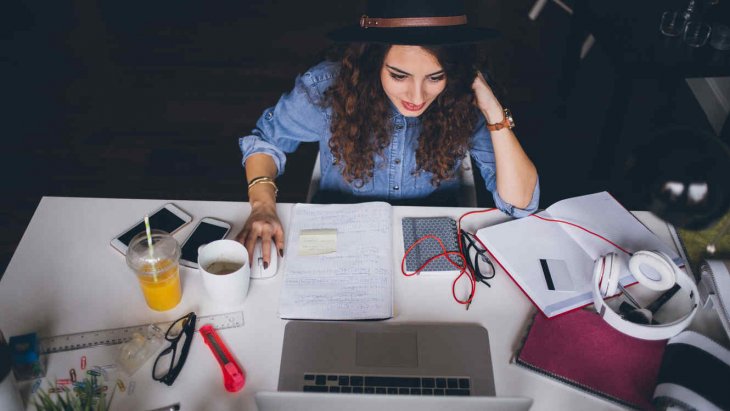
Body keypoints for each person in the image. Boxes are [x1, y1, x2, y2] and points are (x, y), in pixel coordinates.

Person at [237, 0, 540, 266]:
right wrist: (263, 205)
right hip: (339, 230)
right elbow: (266, 140)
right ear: (373, 61)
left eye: (436, 77)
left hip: (430, 238)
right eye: (399, 75)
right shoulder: (327, 88)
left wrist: (493, 111)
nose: (417, 96)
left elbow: (521, 204)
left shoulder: (463, 95)